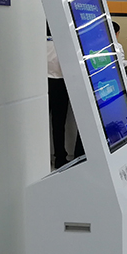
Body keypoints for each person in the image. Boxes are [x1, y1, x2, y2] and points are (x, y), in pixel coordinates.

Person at [47, 25, 84, 169]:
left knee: (44, 123)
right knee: (59, 123)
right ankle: (61, 157)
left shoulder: (40, 43)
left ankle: (47, 156)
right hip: (61, 84)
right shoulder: (62, 44)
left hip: (43, 84)